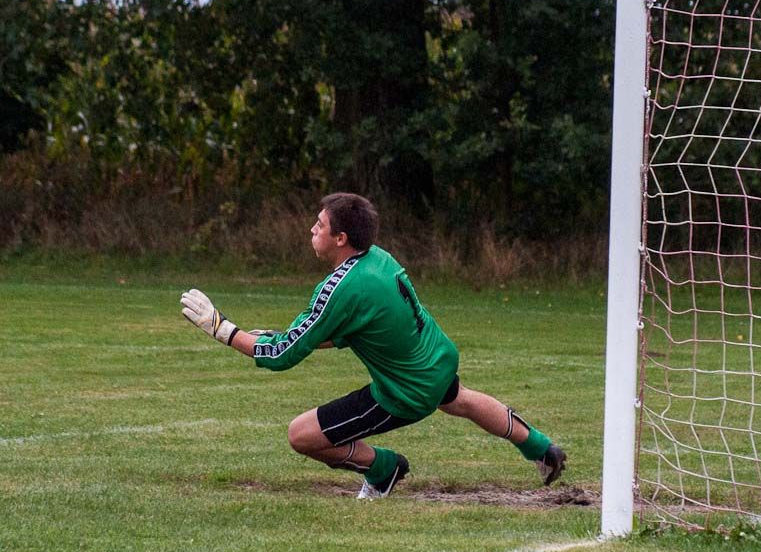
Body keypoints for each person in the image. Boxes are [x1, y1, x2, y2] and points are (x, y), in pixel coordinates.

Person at [180, 192, 566, 499]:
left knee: (301, 435)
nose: (311, 230)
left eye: (319, 225)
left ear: (340, 239)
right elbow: (348, 329)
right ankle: (542, 448)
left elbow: (282, 356)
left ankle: (384, 469)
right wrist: (285, 336)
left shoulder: (341, 287)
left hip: (405, 391)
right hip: (435, 360)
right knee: (460, 399)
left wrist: (223, 329)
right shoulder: (377, 259)